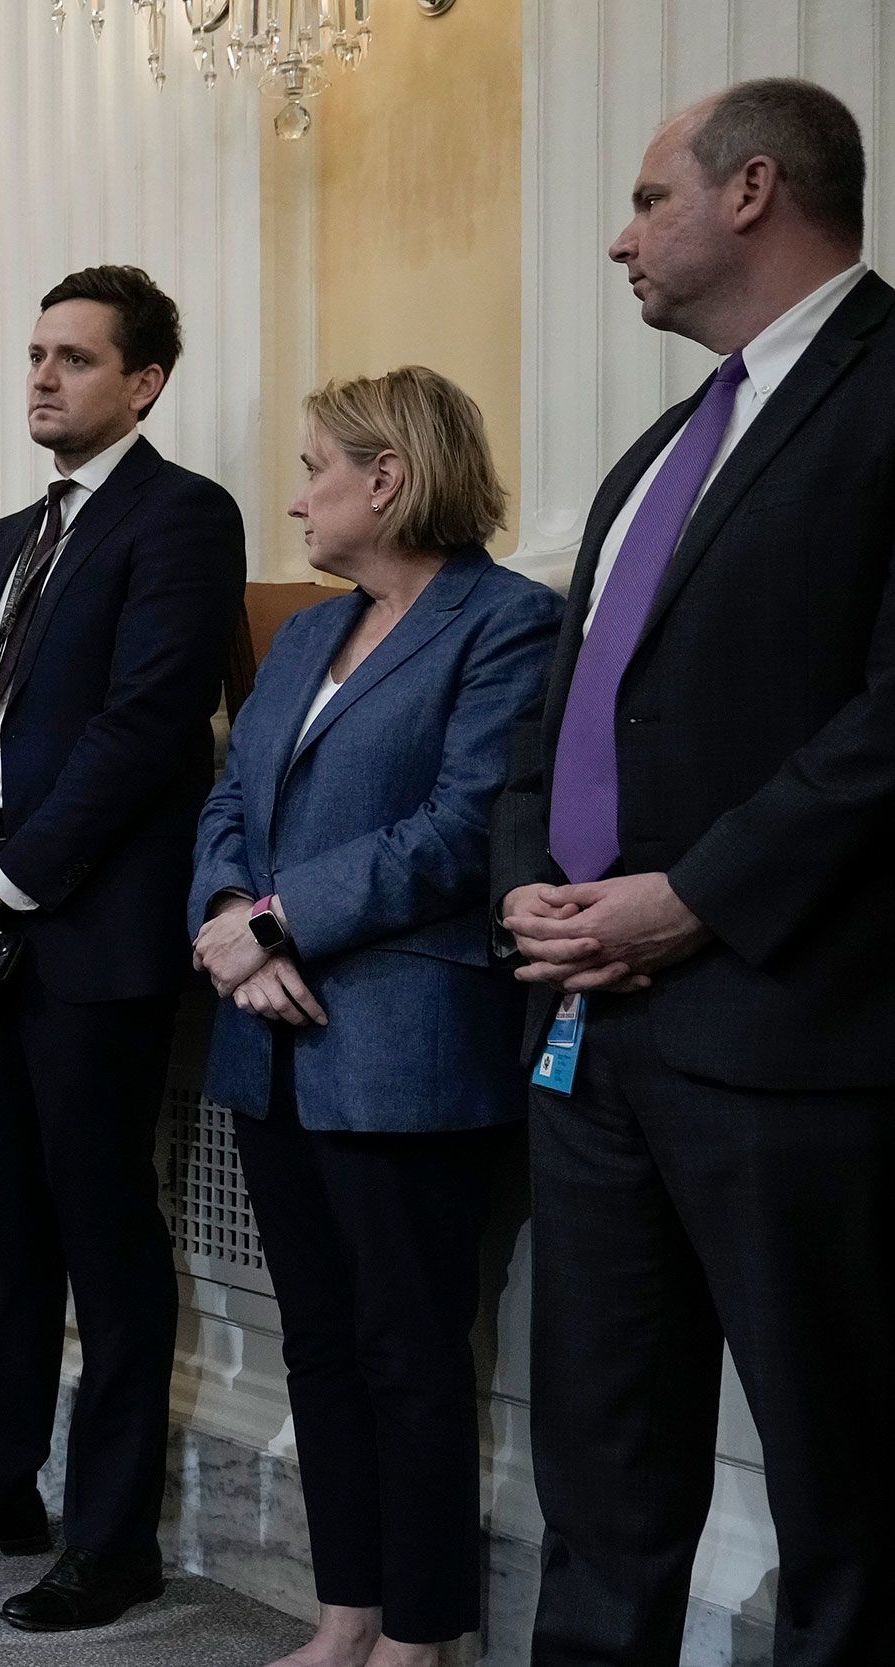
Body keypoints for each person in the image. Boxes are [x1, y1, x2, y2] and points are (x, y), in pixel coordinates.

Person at [490, 78, 895, 1667]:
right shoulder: (666, 440)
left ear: (753, 190)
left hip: (795, 1032)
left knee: (844, 1483)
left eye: (648, 198)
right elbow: (564, 703)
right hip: (593, 1040)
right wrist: (531, 878)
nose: (619, 237)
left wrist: (693, 894)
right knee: (599, 1469)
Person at [0, 266, 247, 1633]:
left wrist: (4, 881)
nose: (40, 378)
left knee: (103, 1230)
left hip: (95, 930)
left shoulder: (186, 518)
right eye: (34, 354)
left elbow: (148, 731)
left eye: (74, 358)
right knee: (0, 1223)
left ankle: (114, 1533)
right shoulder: (1, 536)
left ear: (142, 382)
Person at [190, 369, 558, 1667]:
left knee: (409, 1352)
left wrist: (279, 919)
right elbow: (228, 798)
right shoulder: (299, 636)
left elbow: (464, 826)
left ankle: (423, 1629)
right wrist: (233, 918)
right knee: (319, 1342)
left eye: (311, 468)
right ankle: (343, 1611)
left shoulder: (508, 622)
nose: (293, 494)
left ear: (387, 476)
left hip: (404, 1047)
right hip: (270, 1045)